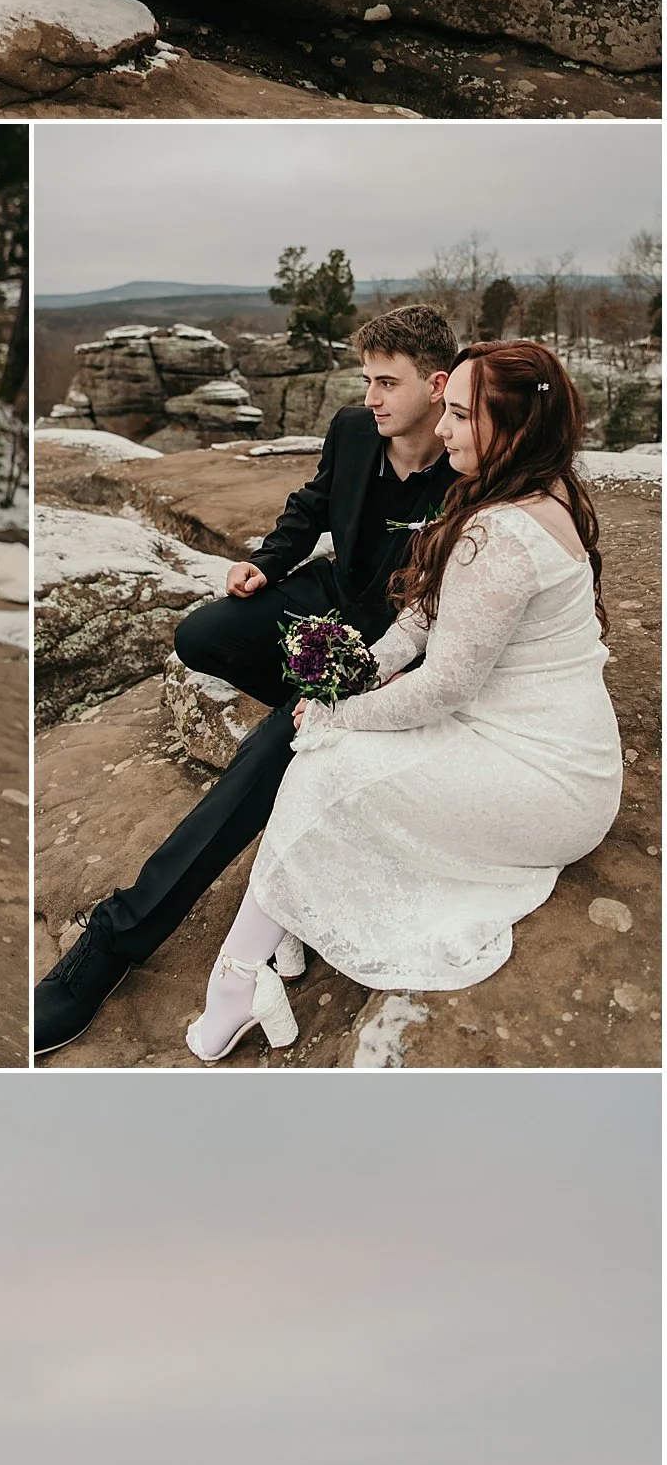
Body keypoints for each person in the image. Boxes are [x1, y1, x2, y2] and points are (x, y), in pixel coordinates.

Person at [34, 306, 460, 1058]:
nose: (370, 397)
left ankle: (112, 943)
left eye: (386, 382)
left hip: (393, 644)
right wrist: (267, 560)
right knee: (200, 633)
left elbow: (436, 615)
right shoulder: (352, 429)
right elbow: (314, 504)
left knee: (272, 752)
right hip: (332, 594)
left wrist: (336, 689)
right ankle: (296, 726)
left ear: (436, 385)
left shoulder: (467, 472)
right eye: (365, 380)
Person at [188, 339, 624, 1059]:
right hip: (504, 734)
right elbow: (421, 616)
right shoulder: (517, 491)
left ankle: (236, 981)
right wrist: (354, 672)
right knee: (324, 745)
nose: (443, 429)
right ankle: (273, 937)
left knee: (325, 764)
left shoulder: (504, 533)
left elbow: (444, 685)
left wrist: (337, 711)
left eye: (458, 414)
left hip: (545, 776)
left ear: (509, 428)